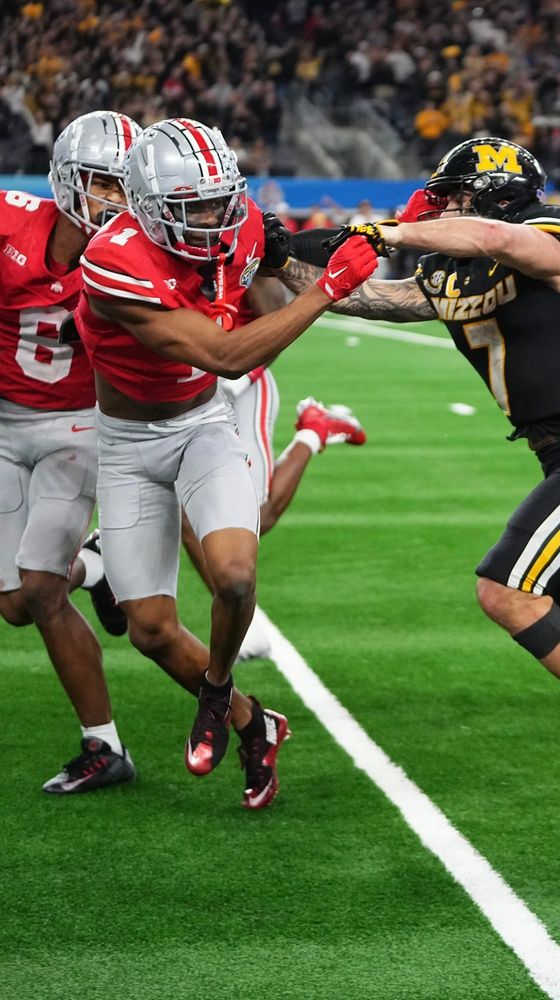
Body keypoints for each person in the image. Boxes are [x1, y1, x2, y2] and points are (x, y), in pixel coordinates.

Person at [274, 137, 560, 824]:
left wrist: (391, 228)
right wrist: (278, 256)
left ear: (494, 188)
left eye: (457, 194)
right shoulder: (452, 271)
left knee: (504, 590)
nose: (445, 207)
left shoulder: (552, 228)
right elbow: (366, 300)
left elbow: (501, 239)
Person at [74, 117, 380, 809]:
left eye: (221, 200)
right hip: (127, 446)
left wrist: (356, 251)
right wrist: (325, 289)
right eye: (195, 207)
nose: (214, 217)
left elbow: (262, 317)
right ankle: (252, 721)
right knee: (149, 630)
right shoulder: (113, 260)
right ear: (149, 206)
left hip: (205, 424)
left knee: (236, 576)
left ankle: (214, 693)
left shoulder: (238, 223)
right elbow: (225, 353)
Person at [0, 110, 137, 794]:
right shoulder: (8, 224)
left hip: (76, 428)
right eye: (99, 183)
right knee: (15, 605)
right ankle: (96, 561)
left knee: (41, 592)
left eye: (122, 187)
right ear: (65, 177)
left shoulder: (139, 258)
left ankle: (104, 745)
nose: (111, 200)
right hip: (2, 423)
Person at [181, 375, 368, 663]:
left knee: (252, 515)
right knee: (185, 512)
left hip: (239, 391)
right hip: (184, 397)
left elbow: (263, 333)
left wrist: (239, 380)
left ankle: (314, 429)